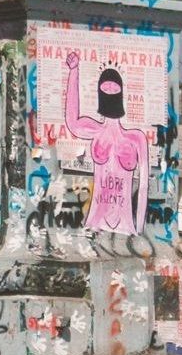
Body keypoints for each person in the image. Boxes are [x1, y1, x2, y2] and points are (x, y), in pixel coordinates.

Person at [63, 51, 150, 235]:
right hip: (95, 222)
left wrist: (140, 229)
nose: (110, 91)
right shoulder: (95, 130)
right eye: (106, 88)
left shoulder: (136, 138)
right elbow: (72, 121)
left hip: (126, 225)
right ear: (99, 92)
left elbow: (143, 187)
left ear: (121, 92)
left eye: (114, 88)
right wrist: (74, 72)